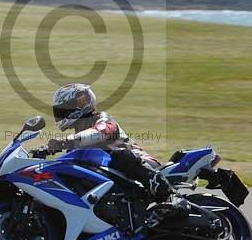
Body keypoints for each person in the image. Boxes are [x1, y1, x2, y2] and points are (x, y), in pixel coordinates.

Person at [45, 82, 174, 205]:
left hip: (143, 163)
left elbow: (101, 132)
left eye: (65, 108)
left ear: (80, 104)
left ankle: (167, 195)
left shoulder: (102, 119)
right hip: (115, 175)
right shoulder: (77, 139)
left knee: (121, 155)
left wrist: (65, 142)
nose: (61, 113)